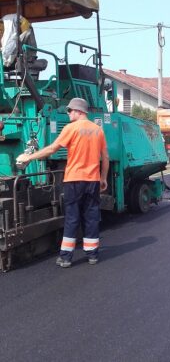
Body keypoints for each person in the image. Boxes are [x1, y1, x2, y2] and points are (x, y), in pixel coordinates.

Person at [16, 98, 109, 268]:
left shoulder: (70, 128)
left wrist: (28, 157)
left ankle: (66, 257)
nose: (68, 114)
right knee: (91, 217)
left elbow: (52, 149)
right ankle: (92, 255)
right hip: (92, 181)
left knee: (72, 218)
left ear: (78, 111)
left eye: (69, 111)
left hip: (74, 180)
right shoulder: (98, 130)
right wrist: (103, 178)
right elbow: (105, 158)